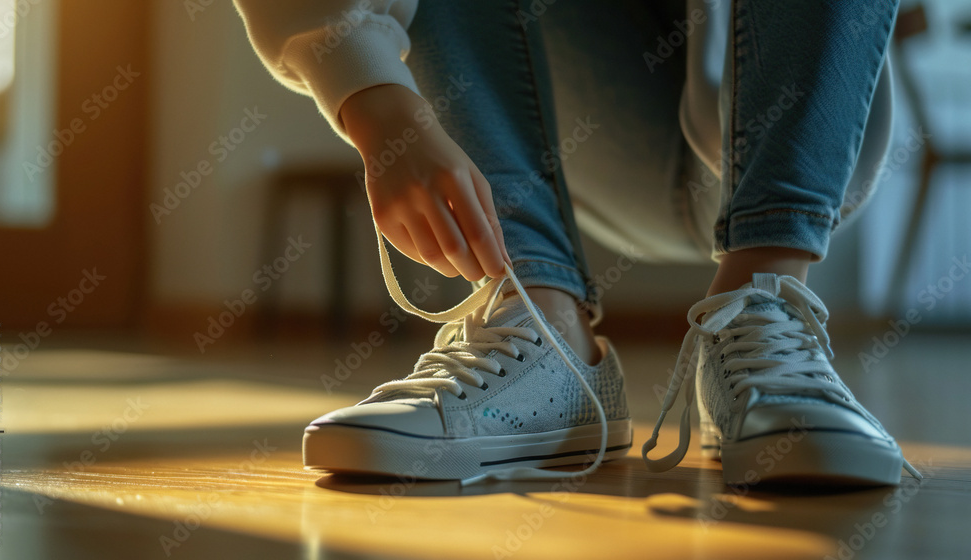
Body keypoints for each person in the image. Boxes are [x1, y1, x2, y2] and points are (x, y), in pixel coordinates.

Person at [234, 0, 921, 485]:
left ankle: (764, 300)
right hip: (598, 113)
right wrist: (372, 94)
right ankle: (546, 335)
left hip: (787, 121)